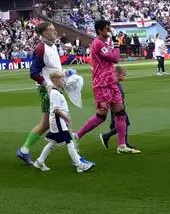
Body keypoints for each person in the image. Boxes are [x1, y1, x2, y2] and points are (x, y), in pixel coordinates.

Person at [75, 19, 138, 154]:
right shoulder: (98, 43)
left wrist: (113, 42)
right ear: (100, 30)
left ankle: (122, 145)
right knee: (101, 116)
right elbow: (115, 58)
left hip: (111, 82)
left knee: (120, 113)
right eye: (107, 28)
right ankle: (76, 136)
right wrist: (116, 41)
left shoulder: (104, 42)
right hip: (102, 84)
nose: (109, 30)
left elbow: (114, 57)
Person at [16, 21, 63, 165]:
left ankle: (24, 150)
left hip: (54, 89)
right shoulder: (41, 49)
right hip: (48, 90)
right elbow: (33, 72)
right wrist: (48, 85)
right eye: (52, 29)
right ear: (44, 33)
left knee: (47, 123)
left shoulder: (52, 46)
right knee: (60, 120)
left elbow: (53, 69)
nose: (55, 31)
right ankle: (75, 155)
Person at [31, 71, 94, 173]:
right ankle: (79, 165)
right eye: (62, 79)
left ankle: (39, 162)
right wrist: (67, 119)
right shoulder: (55, 93)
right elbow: (56, 110)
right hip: (58, 121)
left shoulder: (56, 92)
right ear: (55, 80)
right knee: (70, 142)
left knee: (52, 143)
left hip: (58, 121)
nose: (64, 81)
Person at [101, 65, 130, 149]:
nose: (125, 77)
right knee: (123, 124)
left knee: (125, 124)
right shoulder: (113, 85)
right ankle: (106, 136)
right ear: (117, 74)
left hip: (120, 107)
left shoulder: (117, 84)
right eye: (123, 75)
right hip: (117, 109)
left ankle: (124, 143)